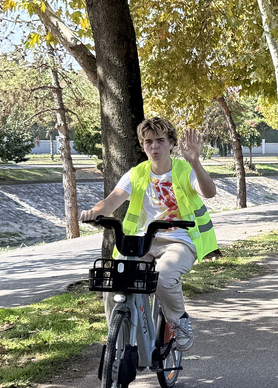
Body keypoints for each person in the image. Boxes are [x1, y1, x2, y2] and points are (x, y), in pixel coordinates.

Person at [80, 117, 218, 352]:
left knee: (163, 279)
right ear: (143, 145)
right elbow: (112, 200)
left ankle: (178, 321)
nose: (154, 147)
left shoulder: (185, 170)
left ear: (171, 144)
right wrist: (93, 212)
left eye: (161, 141)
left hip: (179, 241)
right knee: (115, 281)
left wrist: (195, 163)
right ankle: (118, 338)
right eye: (149, 142)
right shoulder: (137, 174)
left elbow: (209, 192)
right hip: (141, 243)